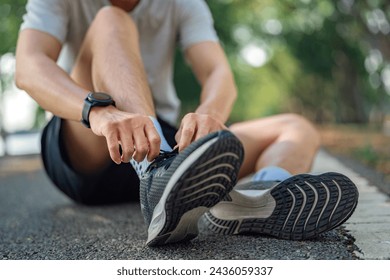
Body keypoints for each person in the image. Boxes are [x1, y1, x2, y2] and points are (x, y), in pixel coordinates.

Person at [15, 0, 358, 246]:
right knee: (110, 19)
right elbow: (28, 66)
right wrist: (100, 113)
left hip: (160, 141)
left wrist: (211, 113)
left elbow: (217, 71)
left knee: (297, 127)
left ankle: (252, 201)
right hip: (85, 137)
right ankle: (156, 177)